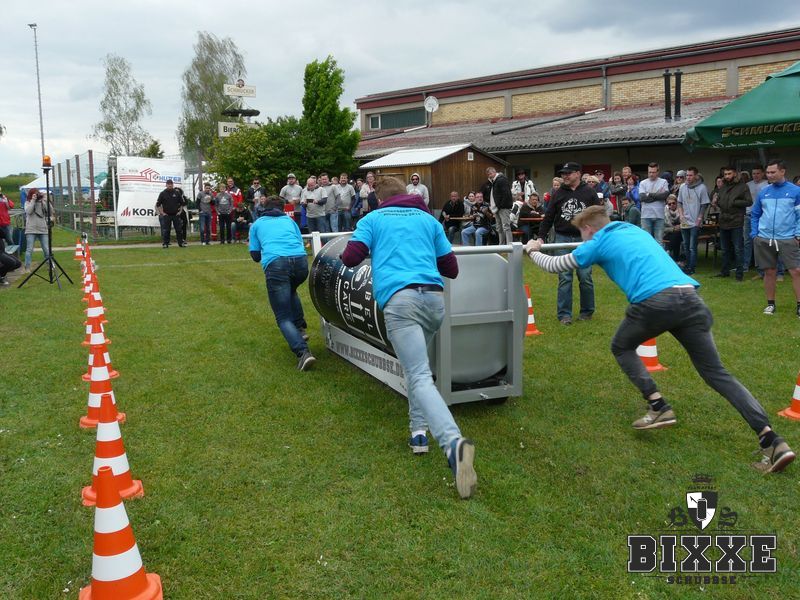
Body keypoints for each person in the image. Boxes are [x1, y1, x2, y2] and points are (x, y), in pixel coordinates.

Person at [524, 205, 795, 473]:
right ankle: (771, 440)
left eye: (581, 234)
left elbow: (555, 265)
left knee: (621, 346)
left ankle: (658, 405)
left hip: (655, 302)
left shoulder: (597, 242)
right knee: (716, 373)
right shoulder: (633, 230)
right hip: (690, 298)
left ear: (588, 229)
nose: (582, 239)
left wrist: (533, 250)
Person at [341, 176, 476, 499]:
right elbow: (451, 268)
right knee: (419, 370)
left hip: (401, 303)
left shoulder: (373, 219)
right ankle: (418, 432)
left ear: (378, 199)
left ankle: (453, 443)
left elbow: (350, 258)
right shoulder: (429, 220)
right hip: (433, 301)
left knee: (418, 375)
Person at [248, 196, 315, 371]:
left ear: (264, 207)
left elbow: (255, 256)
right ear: (283, 209)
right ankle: (299, 327)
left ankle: (303, 352)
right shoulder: (289, 221)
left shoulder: (257, 224)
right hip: (301, 263)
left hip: (277, 265)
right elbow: (300, 241)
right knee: (291, 289)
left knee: (283, 316)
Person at [537, 162, 602, 325]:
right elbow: (549, 216)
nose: (565, 176)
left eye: (568, 173)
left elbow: (598, 216)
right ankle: (564, 315)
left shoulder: (589, 192)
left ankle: (587, 312)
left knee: (585, 276)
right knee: (565, 277)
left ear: (578, 174)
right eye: (563, 173)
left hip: (584, 241)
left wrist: (599, 236)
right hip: (562, 239)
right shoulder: (558, 193)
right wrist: (541, 237)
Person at [750, 159, 800, 316]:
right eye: (768, 172)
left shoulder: (795, 191)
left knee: (796, 271)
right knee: (769, 272)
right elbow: (755, 214)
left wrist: (798, 234)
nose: (769, 175)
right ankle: (770, 304)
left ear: (782, 171)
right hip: (764, 238)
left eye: (773, 172)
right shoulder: (764, 192)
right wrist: (754, 234)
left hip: (788, 238)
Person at [713, 166, 752, 281]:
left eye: (729, 174)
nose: (727, 176)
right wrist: (717, 202)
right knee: (724, 249)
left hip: (736, 221)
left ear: (735, 173)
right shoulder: (723, 186)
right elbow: (721, 202)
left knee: (737, 249)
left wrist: (734, 202)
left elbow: (749, 201)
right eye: (725, 174)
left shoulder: (743, 186)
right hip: (724, 220)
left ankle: (739, 274)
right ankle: (724, 271)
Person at [677, 167, 710, 275]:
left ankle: (692, 267)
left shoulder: (702, 188)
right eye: (687, 175)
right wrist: (681, 214)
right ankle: (687, 265)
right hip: (685, 221)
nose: (688, 177)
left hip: (695, 221)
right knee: (685, 245)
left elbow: (704, 204)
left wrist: (700, 218)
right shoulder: (682, 187)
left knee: (692, 246)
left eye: (690, 175)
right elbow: (679, 202)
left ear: (696, 176)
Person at [745, 165, 769, 278]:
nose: (755, 175)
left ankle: (762, 268)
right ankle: (745, 265)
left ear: (763, 174)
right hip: (748, 215)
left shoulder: (767, 185)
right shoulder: (748, 185)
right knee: (747, 241)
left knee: (761, 242)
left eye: (758, 173)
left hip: (762, 216)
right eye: (753, 173)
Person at [638, 162, 670, 243]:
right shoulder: (643, 183)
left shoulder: (663, 182)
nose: (651, 174)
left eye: (653, 172)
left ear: (658, 172)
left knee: (659, 241)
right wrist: (657, 195)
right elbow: (642, 198)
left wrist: (649, 194)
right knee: (646, 241)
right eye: (649, 172)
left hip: (659, 215)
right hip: (646, 215)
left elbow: (664, 196)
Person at [23, 188, 52, 272]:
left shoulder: (42, 202)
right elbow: (28, 211)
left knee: (46, 249)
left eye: (37, 194)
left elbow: (50, 212)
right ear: (31, 195)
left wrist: (46, 201)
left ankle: (49, 266)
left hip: (42, 229)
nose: (37, 195)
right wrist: (33, 200)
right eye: (35, 194)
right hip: (31, 229)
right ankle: (27, 267)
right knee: (29, 249)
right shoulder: (27, 202)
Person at [486, 167, 514, 245]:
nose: (489, 176)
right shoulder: (494, 181)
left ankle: (509, 245)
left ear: (494, 172)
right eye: (488, 174)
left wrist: (500, 205)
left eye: (490, 174)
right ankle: (501, 245)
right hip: (497, 208)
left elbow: (506, 194)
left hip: (503, 207)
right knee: (499, 227)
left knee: (506, 226)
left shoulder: (501, 180)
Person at [155, 179, 187, 248]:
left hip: (176, 215)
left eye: (171, 184)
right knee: (166, 230)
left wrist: (180, 211)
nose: (170, 185)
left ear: (173, 185)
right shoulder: (162, 193)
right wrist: (162, 213)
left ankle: (181, 243)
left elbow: (182, 203)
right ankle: (165, 243)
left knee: (178, 230)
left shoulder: (177, 193)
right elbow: (158, 204)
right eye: (168, 184)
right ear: (166, 185)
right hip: (167, 215)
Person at [663, 195, 683, 262]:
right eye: (669, 204)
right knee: (676, 235)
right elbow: (663, 228)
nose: (672, 205)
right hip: (668, 233)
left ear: (676, 203)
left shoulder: (681, 211)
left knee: (677, 235)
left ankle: (668, 250)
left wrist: (680, 226)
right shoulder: (664, 212)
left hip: (681, 232)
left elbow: (685, 223)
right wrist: (673, 229)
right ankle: (676, 259)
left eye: (673, 203)